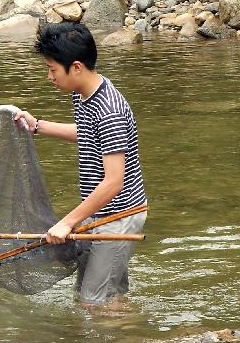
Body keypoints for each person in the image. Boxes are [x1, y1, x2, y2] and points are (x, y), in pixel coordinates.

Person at [13, 23, 147, 307]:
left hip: (119, 217)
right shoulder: (84, 93)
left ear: (76, 67)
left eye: (52, 69)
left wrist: (67, 221)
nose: (49, 76)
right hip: (97, 212)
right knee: (99, 295)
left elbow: (114, 182)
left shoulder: (109, 110)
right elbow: (88, 133)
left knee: (93, 302)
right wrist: (37, 125)